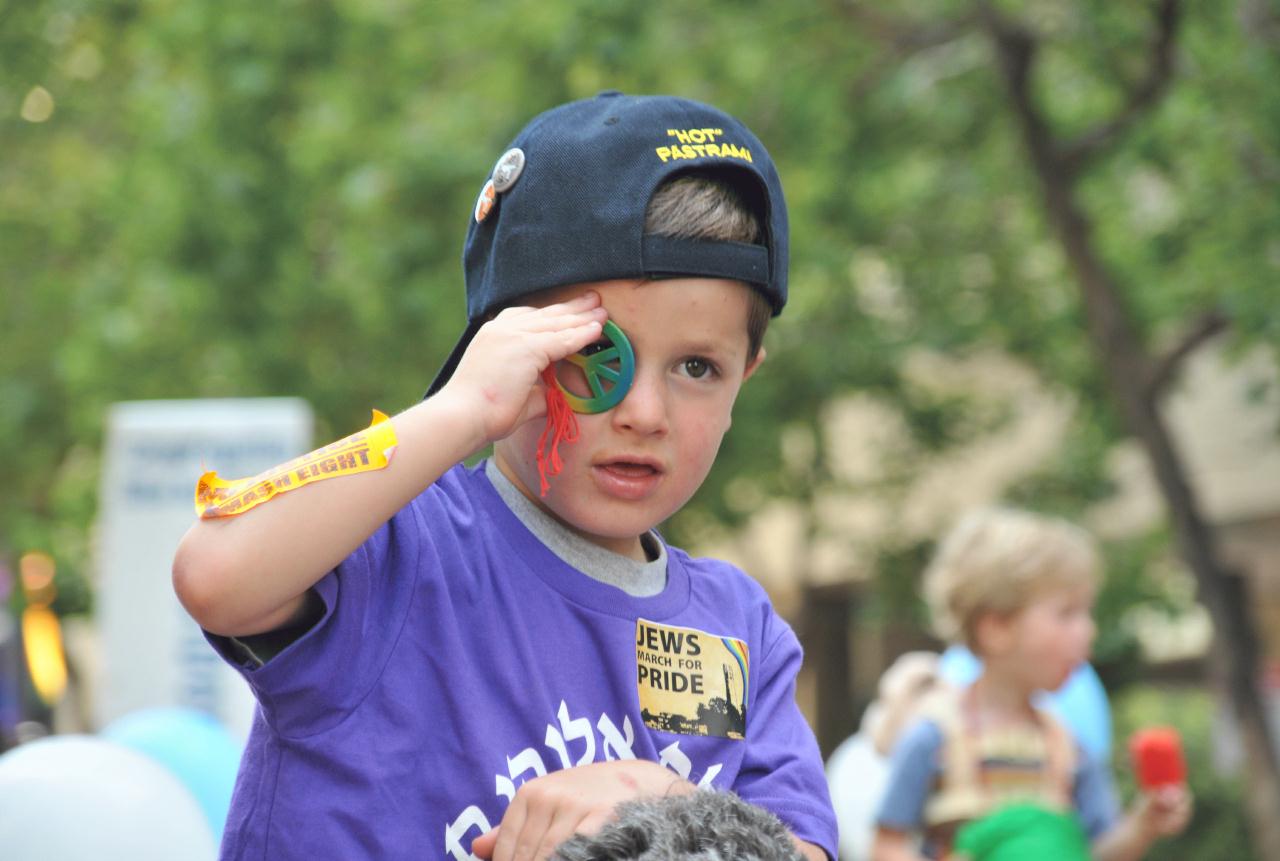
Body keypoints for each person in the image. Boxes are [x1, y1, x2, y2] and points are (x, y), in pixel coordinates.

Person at [172, 91, 837, 861]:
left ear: (745, 377)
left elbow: (803, 850)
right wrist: (461, 409)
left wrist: (661, 804)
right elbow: (214, 572)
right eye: (597, 355)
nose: (645, 411)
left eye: (698, 366)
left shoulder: (736, 626)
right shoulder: (401, 542)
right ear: (507, 348)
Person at [870, 508, 1192, 861]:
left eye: (1086, 613)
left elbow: (1094, 853)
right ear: (996, 628)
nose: (1088, 630)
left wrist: (1141, 826)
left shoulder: (1069, 749)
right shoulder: (934, 738)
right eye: (1067, 613)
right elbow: (887, 845)